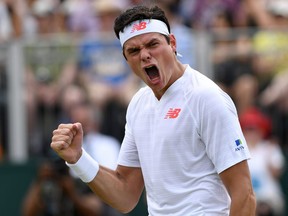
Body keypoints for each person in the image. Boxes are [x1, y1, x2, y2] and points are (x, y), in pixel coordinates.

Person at [51, 5, 256, 215]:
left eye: (153, 44)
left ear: (173, 43)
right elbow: (124, 196)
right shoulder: (139, 104)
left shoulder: (206, 97)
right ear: (126, 59)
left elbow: (244, 194)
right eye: (134, 50)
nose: (145, 55)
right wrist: (78, 159)